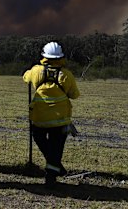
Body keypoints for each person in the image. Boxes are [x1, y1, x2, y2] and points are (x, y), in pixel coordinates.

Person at [23, 42, 80, 185]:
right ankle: (51, 176)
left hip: (39, 118)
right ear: (61, 57)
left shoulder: (36, 71)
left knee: (41, 141)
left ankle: (54, 166)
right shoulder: (67, 75)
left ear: (44, 57)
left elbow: (25, 77)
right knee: (56, 148)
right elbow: (74, 95)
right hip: (60, 120)